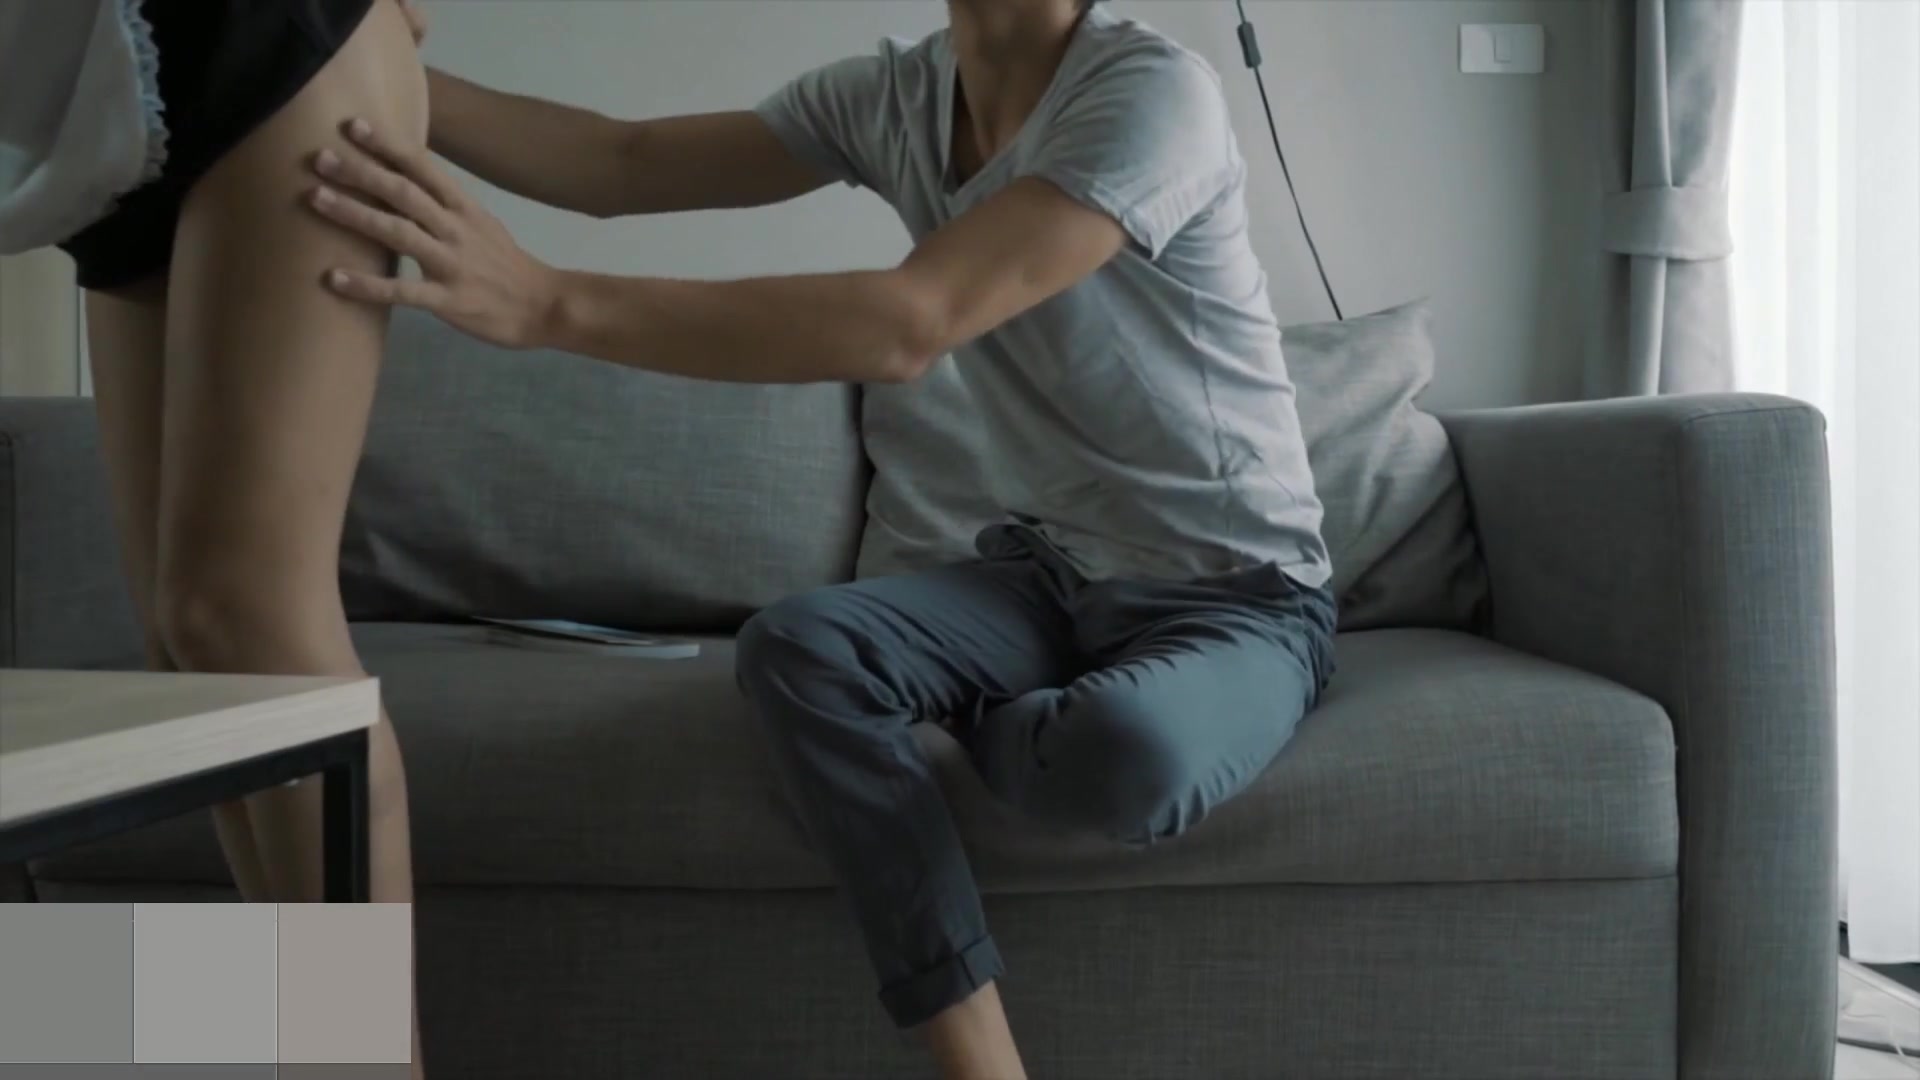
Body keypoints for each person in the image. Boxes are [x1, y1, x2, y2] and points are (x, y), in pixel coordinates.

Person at [310, 0, 1336, 1076]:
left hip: (1241, 595)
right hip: (1049, 577)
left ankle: (986, 707)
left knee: (1124, 756)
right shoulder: (894, 96)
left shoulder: (1151, 94)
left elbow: (911, 322)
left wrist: (550, 303)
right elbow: (619, 162)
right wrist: (359, 61)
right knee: (800, 647)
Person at [0, 1, 433, 1073]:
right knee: (191, 654)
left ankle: (375, 1064)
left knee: (246, 620)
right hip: (91, 78)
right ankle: (307, 1054)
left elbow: (622, 165)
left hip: (256, 33)